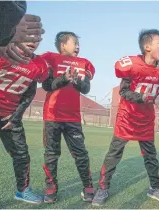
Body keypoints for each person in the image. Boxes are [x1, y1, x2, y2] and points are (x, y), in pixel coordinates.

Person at [91, 29, 159, 206]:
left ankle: (155, 187)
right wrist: (142, 97)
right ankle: (103, 188)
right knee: (114, 154)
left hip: (146, 120)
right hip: (127, 118)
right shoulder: (132, 65)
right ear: (147, 46)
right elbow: (124, 92)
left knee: (151, 157)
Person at [40, 31, 95, 204]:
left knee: (80, 154)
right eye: (74, 42)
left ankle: (88, 187)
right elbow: (47, 84)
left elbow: (86, 89)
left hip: (73, 117)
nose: (78, 46)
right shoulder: (50, 58)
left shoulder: (84, 63)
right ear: (63, 44)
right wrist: (63, 79)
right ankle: (51, 189)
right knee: (51, 154)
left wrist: (77, 81)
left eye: (79, 43)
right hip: (52, 115)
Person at [0, 36, 49, 204]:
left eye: (38, 37)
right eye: (29, 35)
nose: (33, 40)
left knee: (21, 154)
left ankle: (23, 190)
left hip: (8, 114)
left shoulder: (39, 65)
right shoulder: (0, 51)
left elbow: (29, 91)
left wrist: (17, 115)